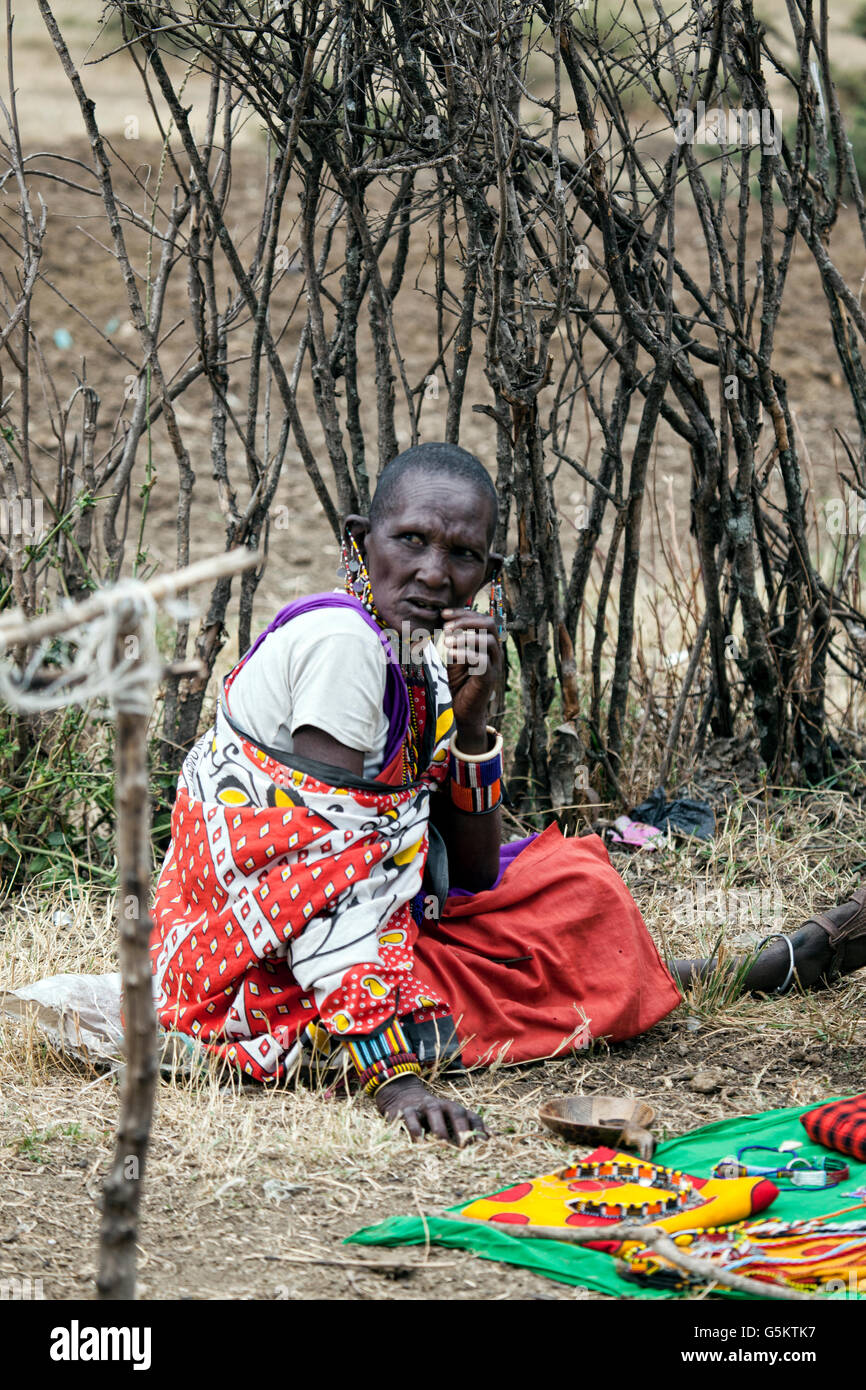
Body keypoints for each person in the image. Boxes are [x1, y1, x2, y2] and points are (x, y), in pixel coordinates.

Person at [150, 442, 866, 1146]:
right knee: (507, 973)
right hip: (250, 975)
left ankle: (735, 967)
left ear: (486, 573)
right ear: (361, 542)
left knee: (577, 880)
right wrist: (394, 1080)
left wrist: (474, 723)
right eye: (411, 541)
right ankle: (750, 968)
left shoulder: (414, 662)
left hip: (347, 925)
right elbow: (315, 882)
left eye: (461, 555)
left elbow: (472, 875)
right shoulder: (343, 645)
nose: (434, 573)